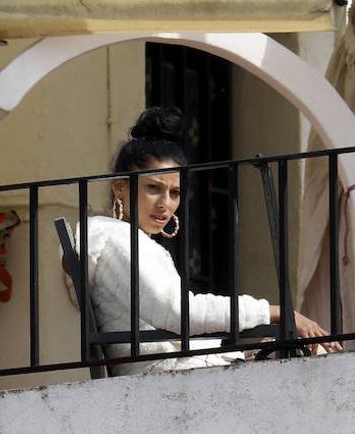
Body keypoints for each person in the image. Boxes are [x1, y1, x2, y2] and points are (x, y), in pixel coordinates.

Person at [85, 107, 339, 374]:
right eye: (153, 188)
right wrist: (277, 312)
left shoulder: (128, 242)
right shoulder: (117, 240)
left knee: (310, 352)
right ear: (120, 188)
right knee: (313, 358)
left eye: (175, 193)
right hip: (167, 375)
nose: (165, 204)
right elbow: (180, 313)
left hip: (181, 369)